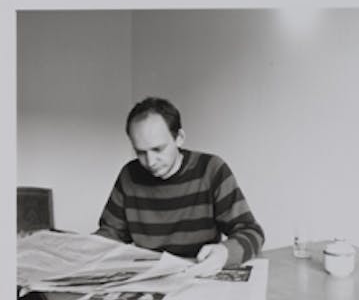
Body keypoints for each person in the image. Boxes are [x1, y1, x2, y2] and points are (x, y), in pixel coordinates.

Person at [96, 97, 264, 275]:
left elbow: (252, 232)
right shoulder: (129, 175)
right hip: (149, 276)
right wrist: (83, 247)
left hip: (199, 273)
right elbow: (111, 234)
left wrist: (224, 253)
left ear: (179, 138)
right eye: (140, 152)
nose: (150, 162)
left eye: (158, 149)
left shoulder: (211, 169)